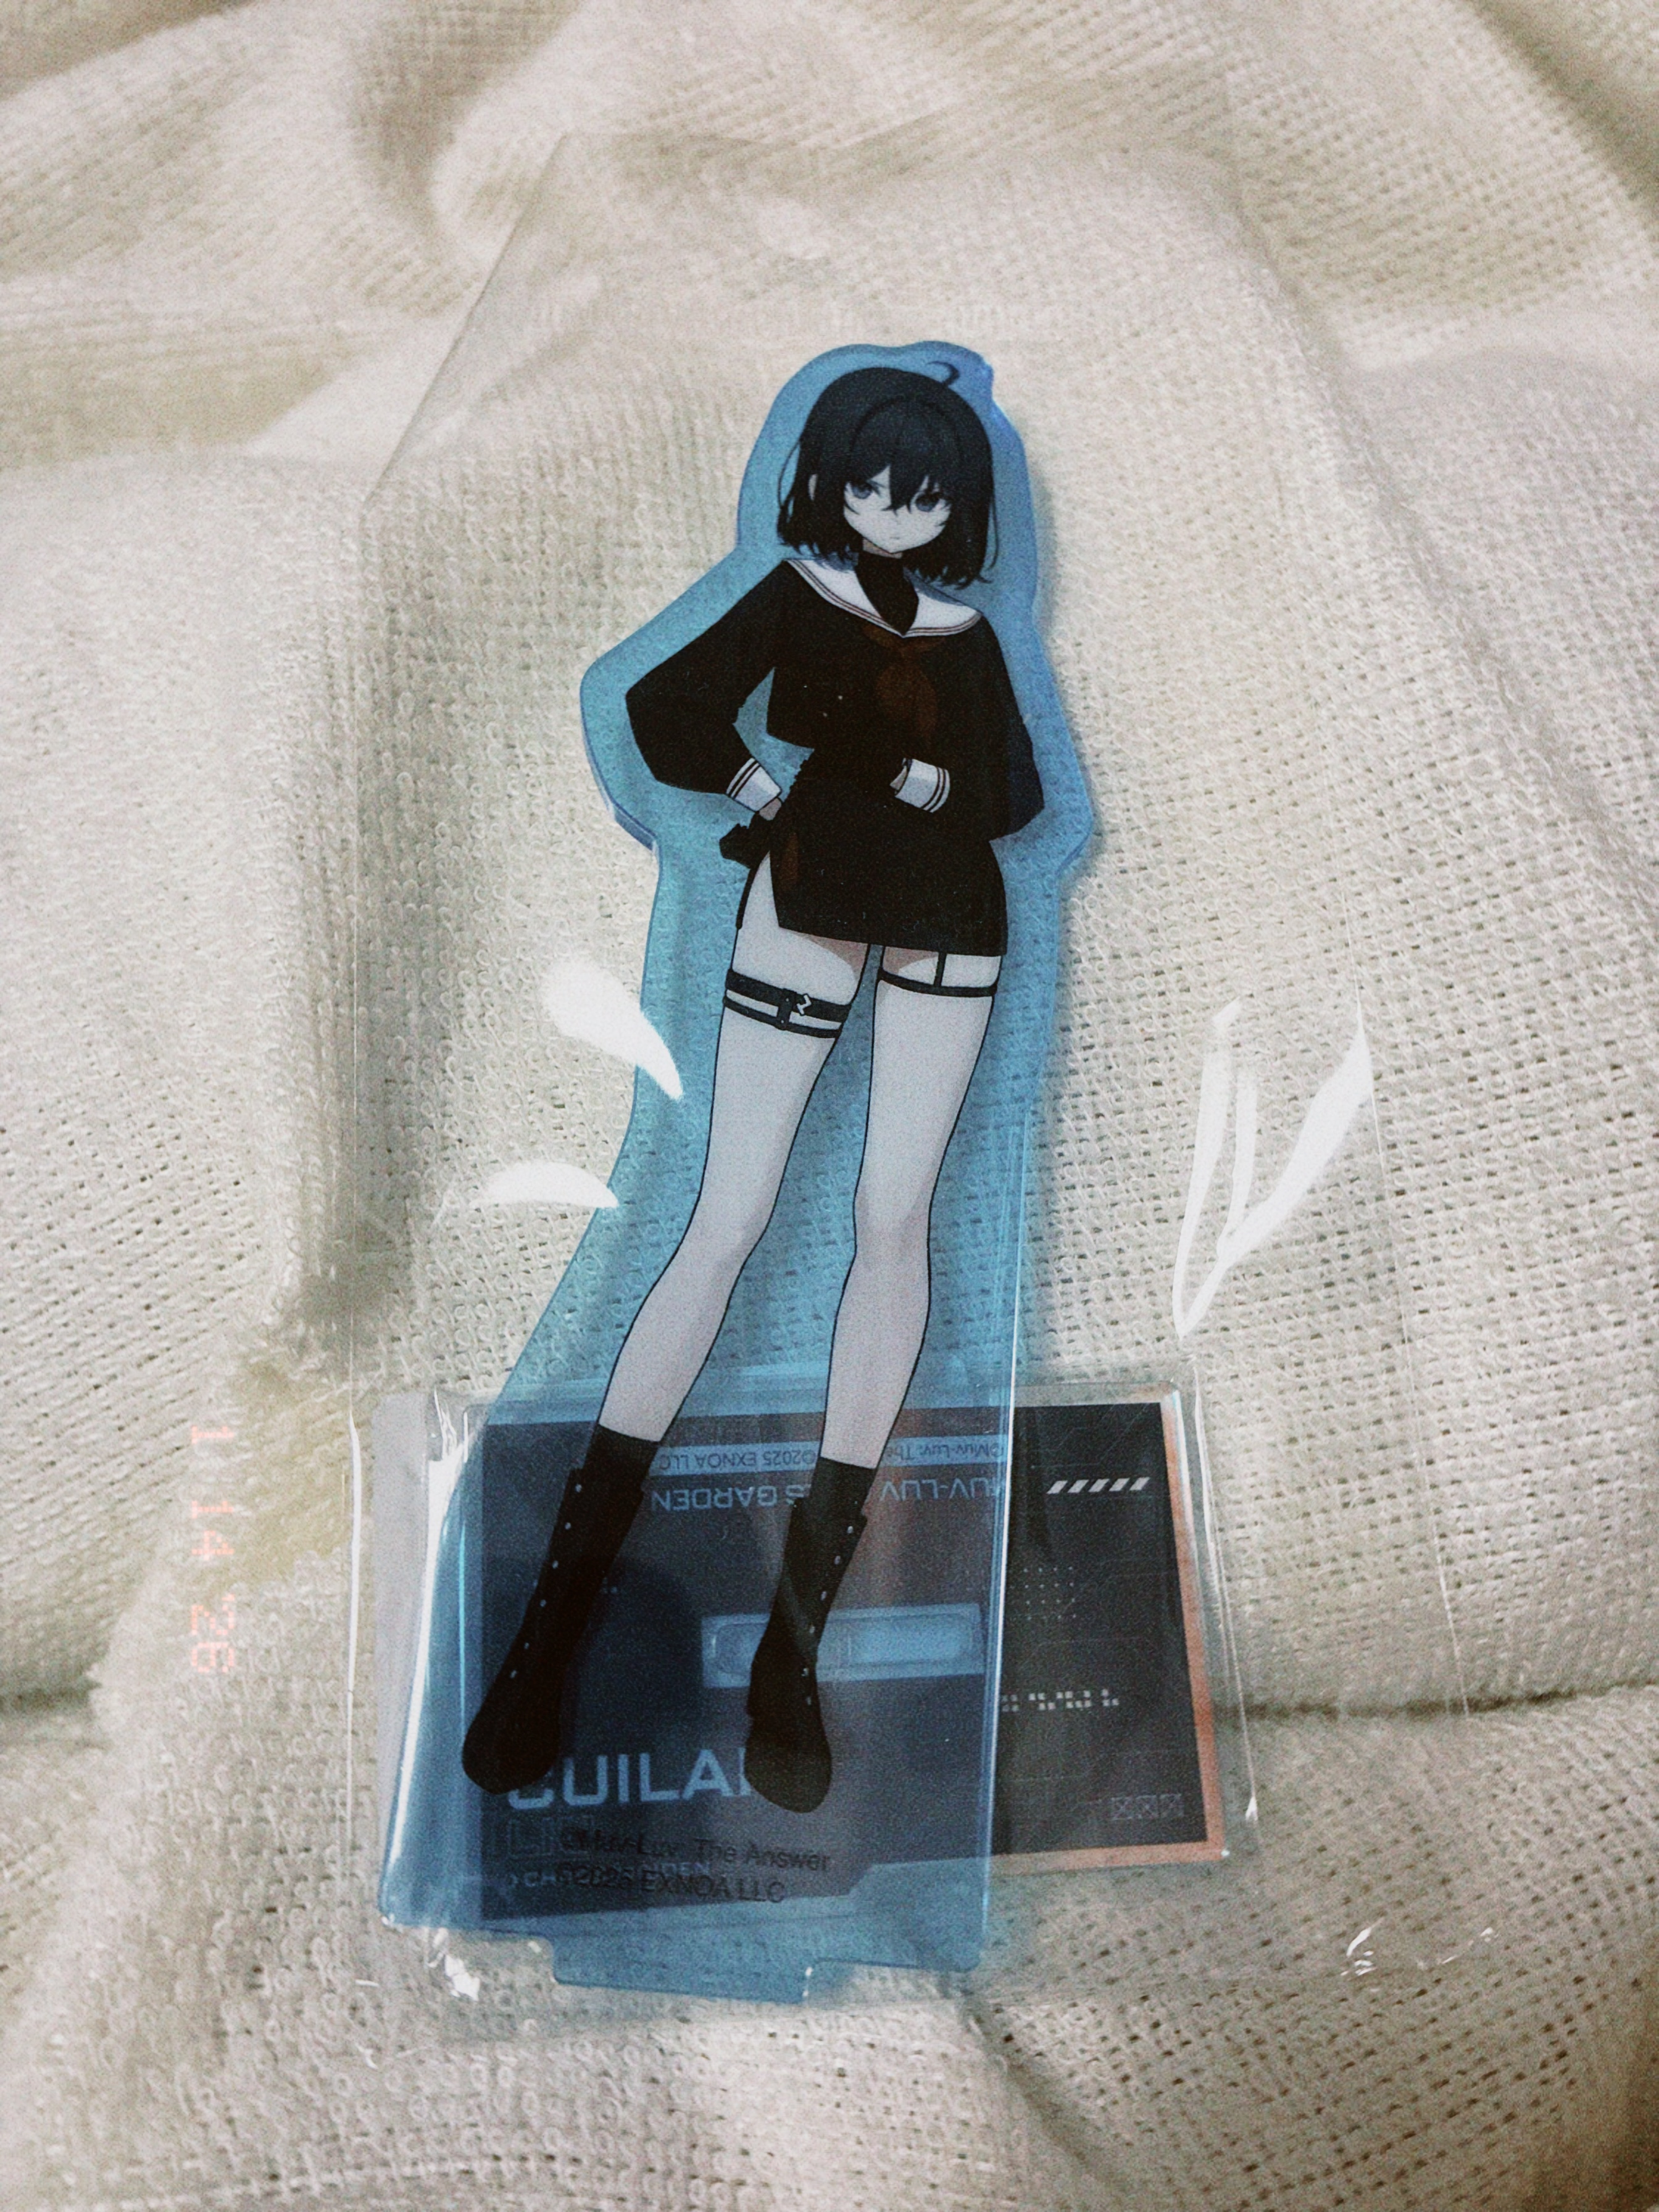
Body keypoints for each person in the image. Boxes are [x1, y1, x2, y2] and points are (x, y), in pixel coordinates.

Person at [462, 364, 1042, 1813]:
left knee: (894, 1222)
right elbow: (661, 705)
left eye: (924, 495)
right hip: (809, 896)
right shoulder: (796, 595)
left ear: (960, 508)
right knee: (726, 1216)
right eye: (873, 485)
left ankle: (797, 1648)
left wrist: (933, 789)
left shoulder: (972, 635)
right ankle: (550, 1633)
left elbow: (1019, 794)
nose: (895, 513)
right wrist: (763, 789)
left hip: (954, 916)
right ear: (830, 482)